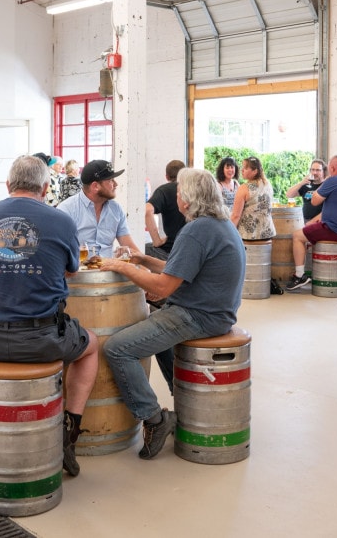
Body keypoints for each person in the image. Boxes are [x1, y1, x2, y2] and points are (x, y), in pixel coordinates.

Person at [0, 155, 99, 477]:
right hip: (41, 339)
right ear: (46, 187)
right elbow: (70, 271)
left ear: (8, 185)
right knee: (91, 344)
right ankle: (68, 433)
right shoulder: (60, 221)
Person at [100, 168, 245, 459]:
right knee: (155, 330)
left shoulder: (196, 230)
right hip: (217, 312)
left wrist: (123, 267)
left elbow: (165, 287)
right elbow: (178, 269)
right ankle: (184, 398)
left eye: (179, 191)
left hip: (198, 316)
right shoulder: (217, 224)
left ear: (187, 199)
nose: (176, 195)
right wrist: (142, 259)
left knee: (117, 348)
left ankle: (154, 418)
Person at [286, 155, 337, 291]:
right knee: (307, 232)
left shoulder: (333, 180)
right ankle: (309, 272)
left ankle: (299, 276)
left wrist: (325, 183)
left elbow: (315, 201)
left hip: (335, 229)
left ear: (331, 168)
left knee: (297, 236)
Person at [57, 159, 142, 258]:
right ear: (95, 186)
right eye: (111, 180)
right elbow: (56, 252)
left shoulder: (116, 209)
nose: (116, 184)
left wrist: (146, 270)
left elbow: (130, 248)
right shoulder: (66, 210)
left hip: (110, 271)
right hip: (78, 273)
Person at [145, 160, 187, 261]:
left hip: (171, 250)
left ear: (167, 176)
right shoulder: (194, 189)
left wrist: (157, 241)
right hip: (193, 251)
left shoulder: (164, 190)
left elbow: (147, 210)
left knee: (145, 248)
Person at [230, 156, 276, 241]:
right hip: (267, 233)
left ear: (255, 171)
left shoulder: (244, 188)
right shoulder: (267, 184)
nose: (242, 170)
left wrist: (228, 234)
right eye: (242, 167)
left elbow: (235, 216)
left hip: (248, 235)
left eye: (245, 168)